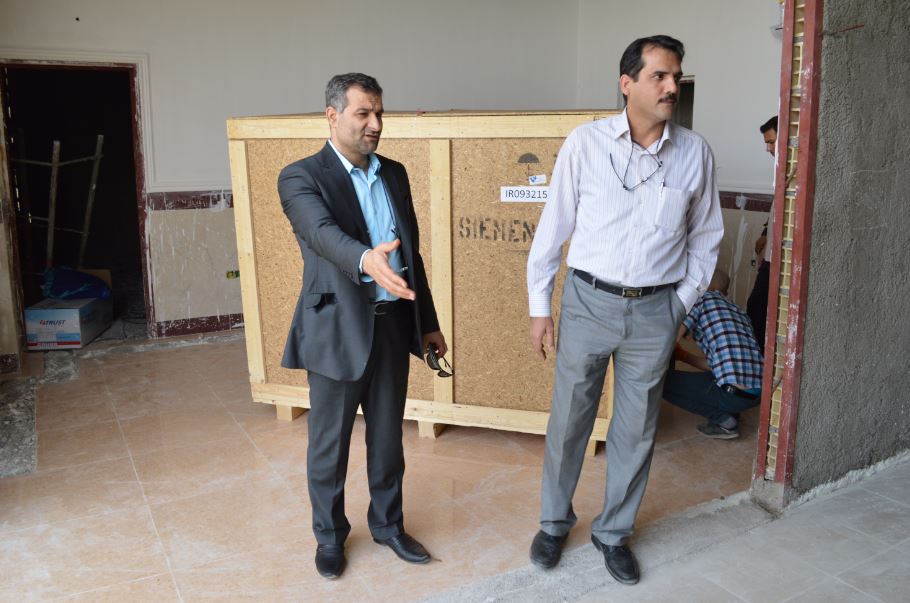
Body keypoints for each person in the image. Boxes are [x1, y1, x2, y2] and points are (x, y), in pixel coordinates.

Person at [526, 35, 723, 585]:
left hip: (656, 309)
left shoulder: (695, 153)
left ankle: (613, 533)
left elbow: (706, 239)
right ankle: (553, 523)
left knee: (636, 429)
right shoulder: (586, 144)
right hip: (588, 301)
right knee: (570, 421)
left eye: (676, 76)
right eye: (659, 75)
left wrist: (678, 306)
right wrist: (540, 307)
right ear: (627, 83)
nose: (672, 86)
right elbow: (553, 229)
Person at [277, 73, 447, 580]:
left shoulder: (394, 173)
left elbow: (411, 254)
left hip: (392, 325)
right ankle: (329, 536)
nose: (375, 124)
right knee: (329, 444)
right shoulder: (300, 176)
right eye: (363, 114)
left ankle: (388, 525)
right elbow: (321, 233)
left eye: (379, 113)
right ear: (332, 116)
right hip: (336, 327)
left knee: (388, 439)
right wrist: (366, 259)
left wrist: (428, 323)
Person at [663, 269, 763, 439]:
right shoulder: (739, 312)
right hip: (756, 395)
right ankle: (730, 410)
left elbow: (672, 338)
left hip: (731, 393)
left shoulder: (701, 299)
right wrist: (684, 356)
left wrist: (645, 365)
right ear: (725, 292)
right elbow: (717, 366)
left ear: (704, 284)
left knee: (659, 382)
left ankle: (724, 420)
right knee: (716, 379)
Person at [746, 115, 778, 353]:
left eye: (771, 142)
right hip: (769, 256)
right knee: (756, 307)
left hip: (779, 261)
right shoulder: (782, 170)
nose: (768, 149)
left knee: (759, 309)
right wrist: (766, 231)